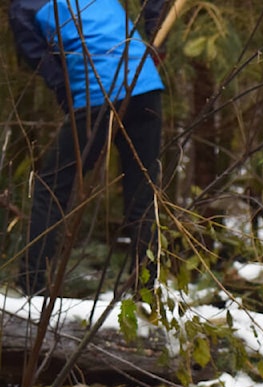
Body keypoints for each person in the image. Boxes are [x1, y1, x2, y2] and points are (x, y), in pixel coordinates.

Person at [9, 0, 166, 296]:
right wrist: (157, 40)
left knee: (51, 187)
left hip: (97, 94)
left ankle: (31, 285)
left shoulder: (23, 8)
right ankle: (147, 291)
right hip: (145, 84)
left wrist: (68, 99)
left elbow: (43, 63)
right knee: (143, 191)